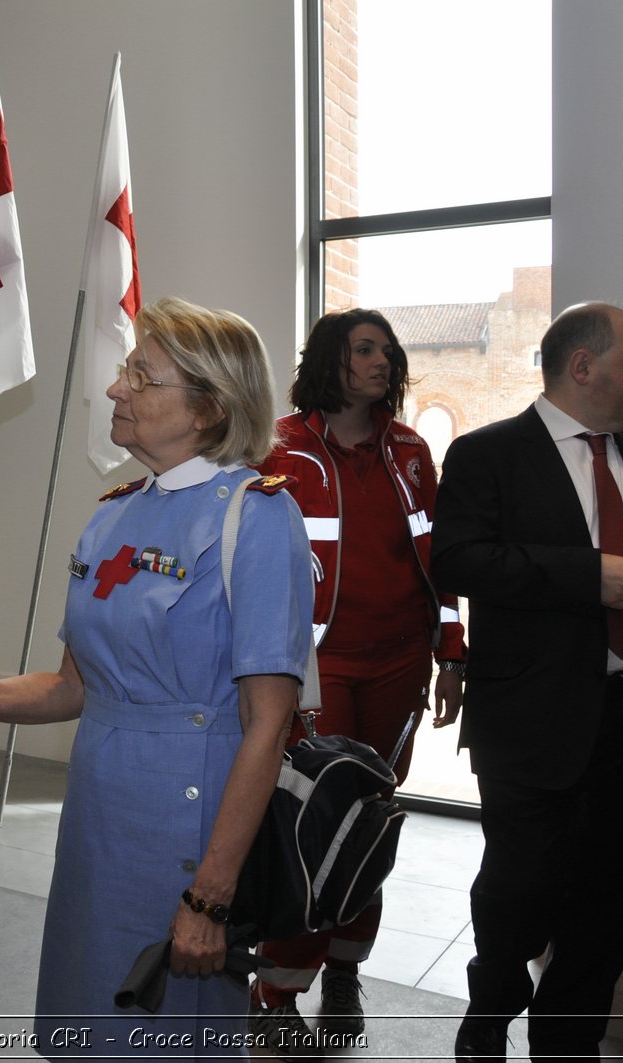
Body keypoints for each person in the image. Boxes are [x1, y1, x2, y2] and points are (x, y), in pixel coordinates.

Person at [0, 296, 313, 1058]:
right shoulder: (112, 516)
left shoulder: (258, 517)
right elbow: (74, 687)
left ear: (208, 407)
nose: (116, 388)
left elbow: (268, 722)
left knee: (166, 1037)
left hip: (189, 835)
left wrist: (209, 893)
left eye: (142, 374)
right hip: (99, 826)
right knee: (93, 1020)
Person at [431, 302, 623, 1061]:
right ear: (584, 367)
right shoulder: (488, 454)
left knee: (611, 903)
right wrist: (585, 577)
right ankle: (489, 1015)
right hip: (532, 721)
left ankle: (566, 1044)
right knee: (518, 894)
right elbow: (458, 562)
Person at [248, 308, 465, 1053]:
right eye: (364, 348)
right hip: (316, 668)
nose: (382, 360)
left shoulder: (410, 450)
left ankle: (345, 967)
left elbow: (440, 561)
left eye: (386, 349)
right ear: (330, 361)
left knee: (370, 818)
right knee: (314, 824)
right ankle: (276, 989)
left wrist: (453, 651)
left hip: (400, 660)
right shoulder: (278, 446)